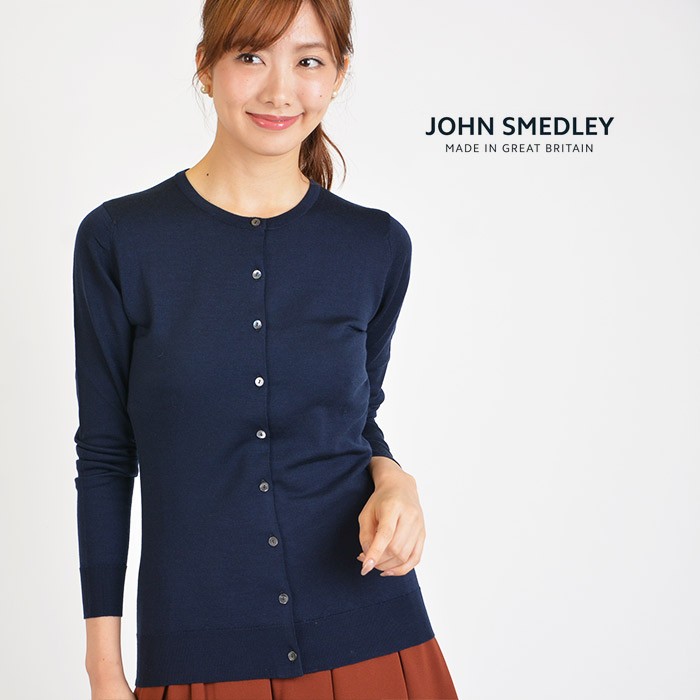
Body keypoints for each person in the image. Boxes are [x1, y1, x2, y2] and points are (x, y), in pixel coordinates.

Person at [72, 1, 459, 698]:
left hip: (373, 634)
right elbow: (105, 454)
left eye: (308, 60)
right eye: (251, 56)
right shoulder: (121, 240)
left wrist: (396, 479)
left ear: (338, 74)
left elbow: (356, 419)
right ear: (206, 66)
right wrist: (104, 669)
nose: (280, 90)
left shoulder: (375, 246)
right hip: (201, 649)